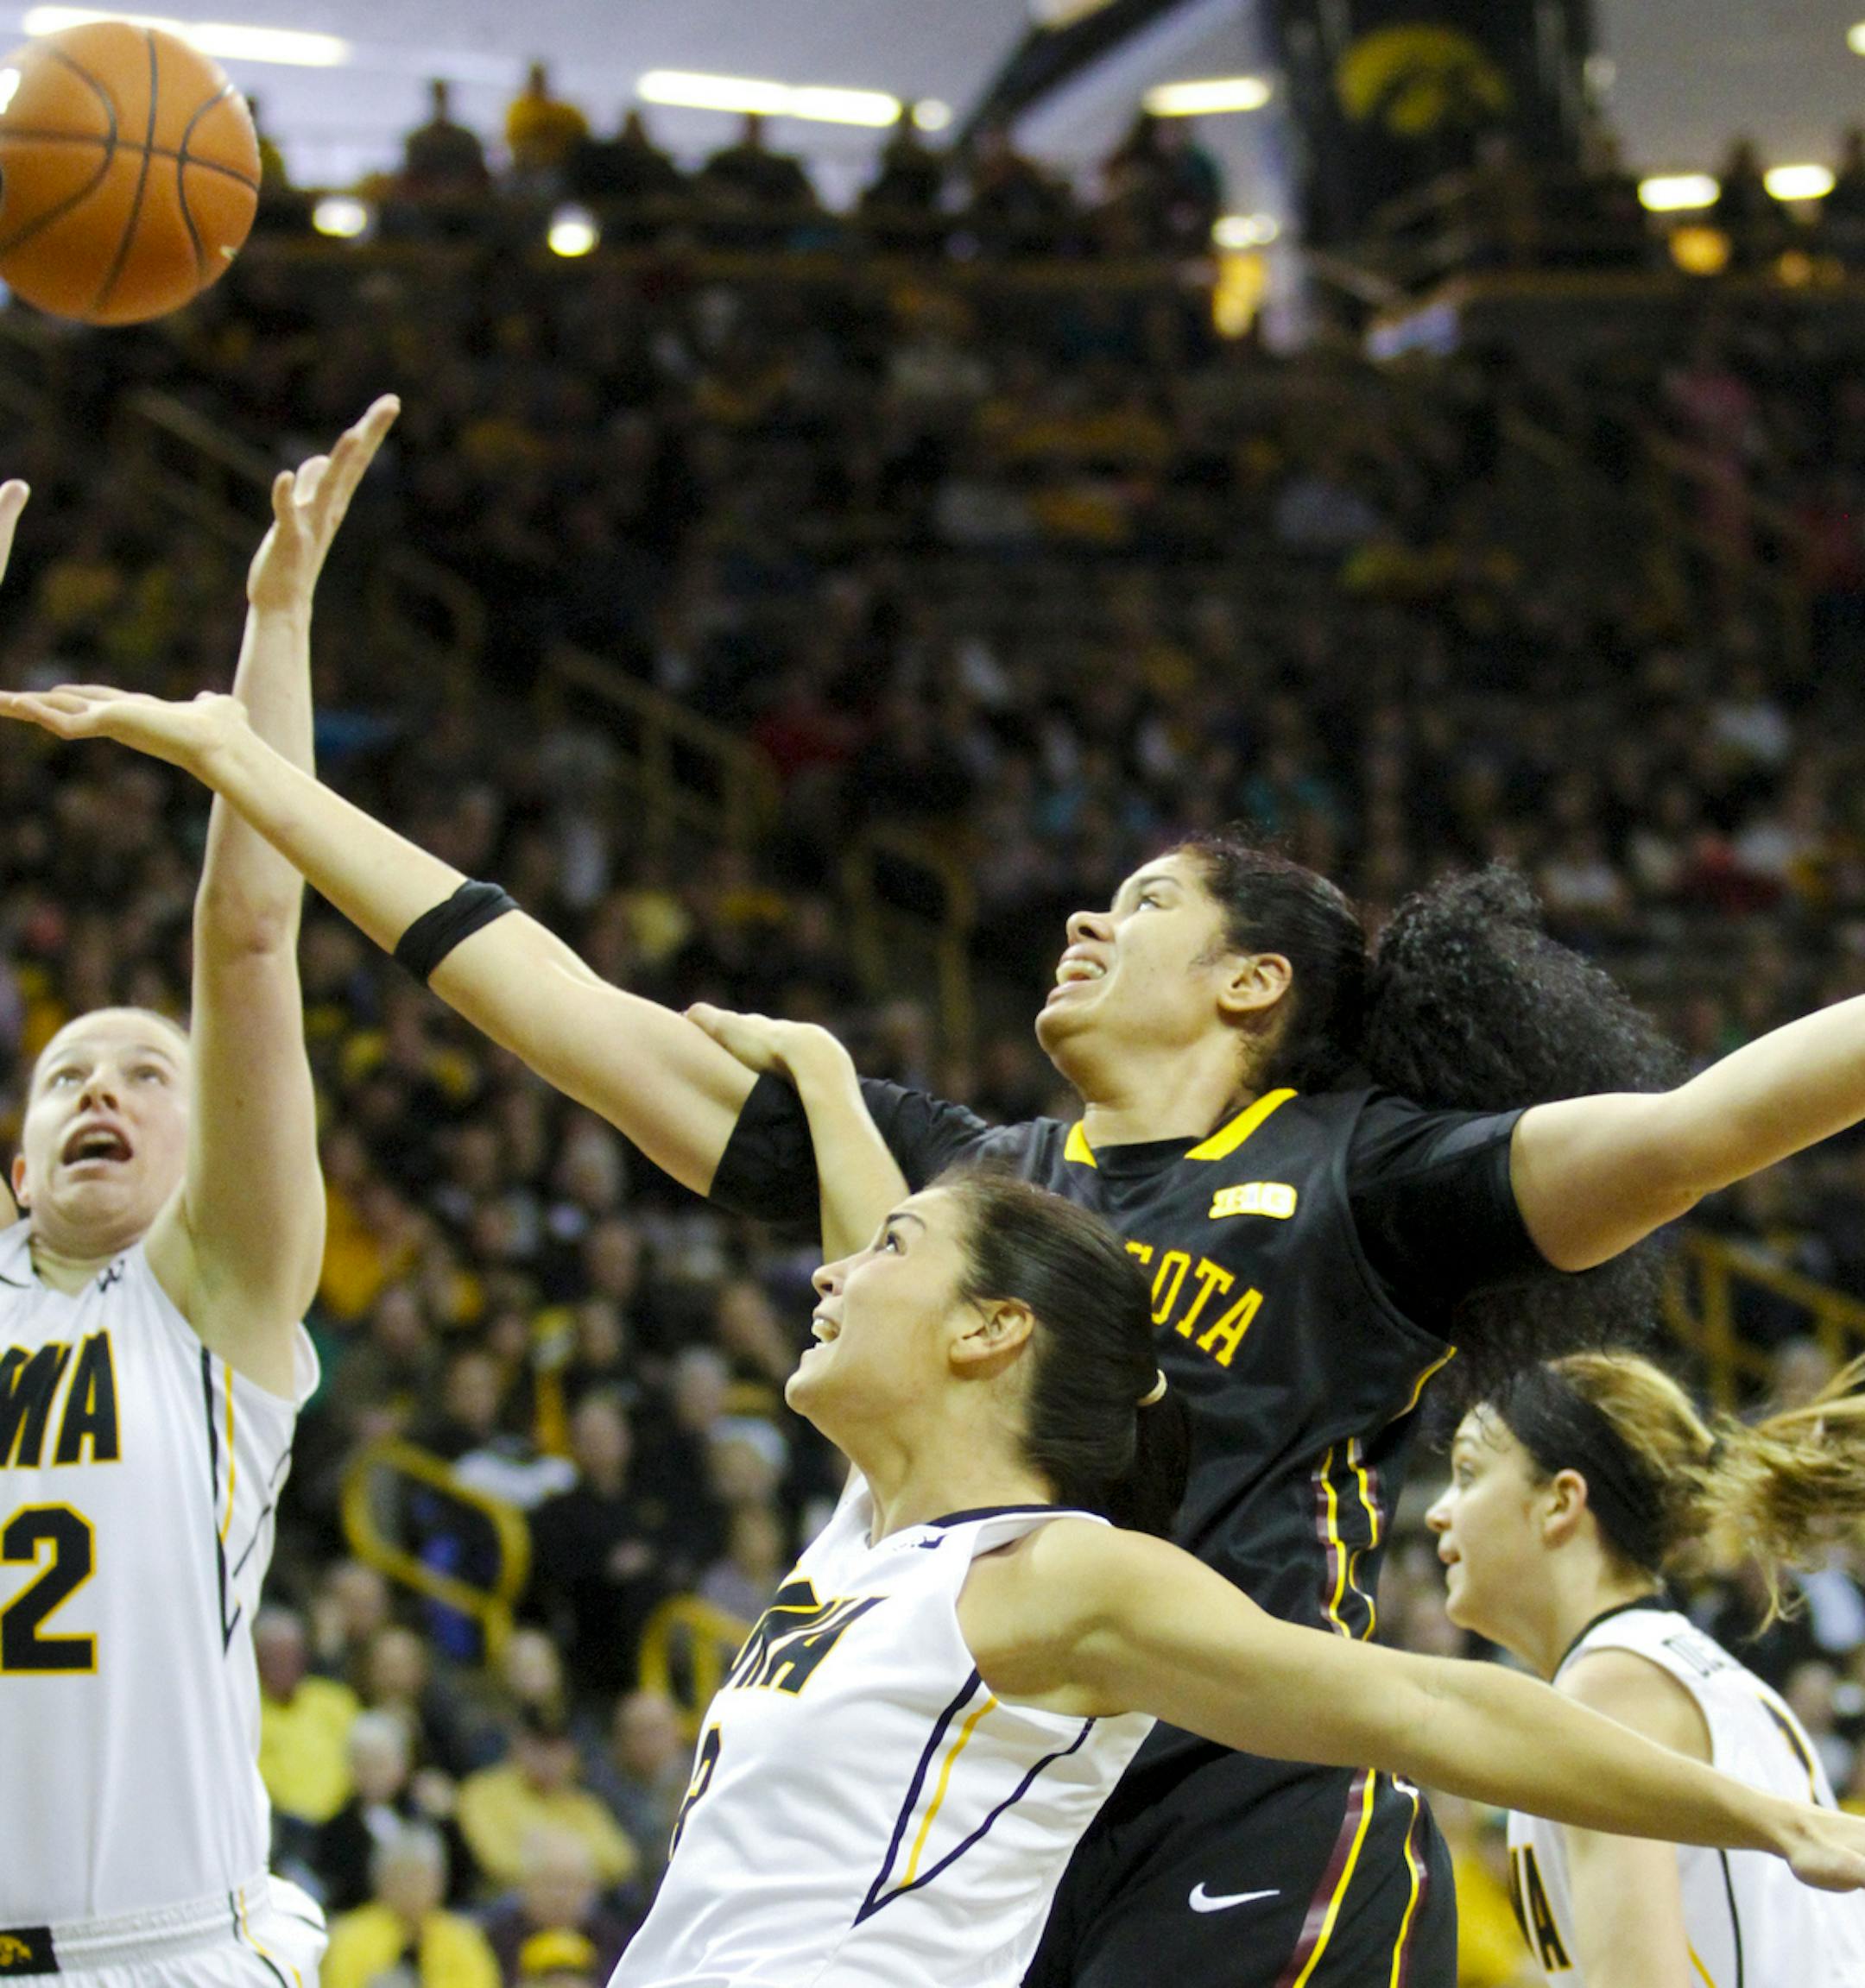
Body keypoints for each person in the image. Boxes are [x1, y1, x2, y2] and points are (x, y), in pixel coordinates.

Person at [22, 671, 1865, 1982]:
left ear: (1253, 979)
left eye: (1142, 899)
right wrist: (268, 783)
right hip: (988, 1796)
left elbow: (1703, 1124)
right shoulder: (967, 1179)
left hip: (1246, 1786)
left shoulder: (1359, 1173)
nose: (1082, 909)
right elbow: (562, 1009)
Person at [419, 1017, 1865, 1980]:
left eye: (1468, 1470)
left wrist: (1769, 1820)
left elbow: (1432, 1711)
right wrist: (822, 1074)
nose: (831, 1271)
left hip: (1258, 1837)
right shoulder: (868, 1531)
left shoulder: (1060, 1567)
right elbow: (889, 1256)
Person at [0, 398, 396, 1987]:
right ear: (17, 1163)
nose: (103, 1086)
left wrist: (277, 626)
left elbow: (245, 942)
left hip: (162, 1954)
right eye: (65, 1076)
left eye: (145, 1075)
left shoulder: (211, 1300)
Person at [1426, 1351, 1865, 1985]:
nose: (1440, 1510)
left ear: (1560, 1502)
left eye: (1468, 1473)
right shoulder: (1671, 1664)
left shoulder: (1610, 1686)